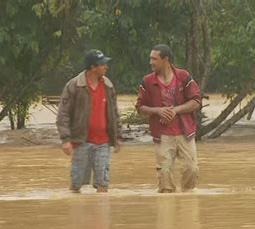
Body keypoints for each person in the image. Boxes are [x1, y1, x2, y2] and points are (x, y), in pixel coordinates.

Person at [135, 44, 201, 193]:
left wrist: (175, 110)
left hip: (185, 132)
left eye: (154, 59)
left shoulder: (183, 76)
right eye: (150, 58)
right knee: (164, 175)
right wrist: (158, 111)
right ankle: (166, 209)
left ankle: (188, 203)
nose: (151, 62)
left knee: (191, 169)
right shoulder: (147, 81)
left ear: (166, 60)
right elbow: (140, 108)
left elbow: (196, 101)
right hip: (162, 134)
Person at [56, 49, 121, 193]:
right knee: (76, 185)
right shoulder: (74, 86)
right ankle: (78, 213)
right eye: (103, 64)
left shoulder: (108, 86)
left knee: (103, 184)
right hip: (80, 141)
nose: (106, 67)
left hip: (103, 142)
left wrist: (117, 137)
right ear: (93, 67)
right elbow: (63, 114)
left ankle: (101, 213)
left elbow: (114, 113)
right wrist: (66, 139)